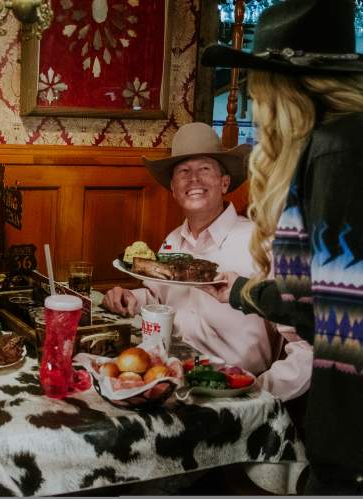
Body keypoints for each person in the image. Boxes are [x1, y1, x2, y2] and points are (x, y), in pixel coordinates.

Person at [200, 0, 363, 494]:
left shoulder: (338, 151)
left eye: (255, 84)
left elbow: (333, 311)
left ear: (278, 86)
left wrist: (245, 292)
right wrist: (247, 291)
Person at [102, 122, 312, 402]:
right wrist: (132, 298)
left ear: (224, 182)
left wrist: (264, 391)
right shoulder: (172, 241)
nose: (194, 180)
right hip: (174, 382)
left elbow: (308, 341)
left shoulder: (261, 244)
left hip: (234, 394)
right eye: (183, 172)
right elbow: (160, 296)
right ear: (173, 189)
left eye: (205, 169)